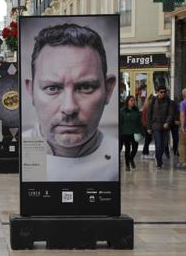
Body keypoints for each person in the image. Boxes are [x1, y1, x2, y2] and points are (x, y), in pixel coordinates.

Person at [23, 23, 118, 182]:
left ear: (108, 89)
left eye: (86, 87)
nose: (69, 108)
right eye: (52, 88)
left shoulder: (116, 157)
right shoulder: (20, 153)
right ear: (31, 91)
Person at [147, 85, 174, 169]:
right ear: (157, 92)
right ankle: (158, 163)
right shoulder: (152, 101)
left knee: (164, 144)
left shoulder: (168, 101)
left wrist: (167, 122)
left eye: (164, 92)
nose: (163, 93)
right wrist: (149, 127)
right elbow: (149, 115)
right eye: (161, 92)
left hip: (165, 127)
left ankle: (158, 157)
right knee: (158, 145)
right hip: (156, 126)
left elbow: (170, 114)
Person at [120, 96, 141, 171]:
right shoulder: (122, 111)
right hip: (125, 133)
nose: (133, 102)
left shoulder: (137, 111)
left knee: (135, 148)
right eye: (131, 100)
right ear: (127, 102)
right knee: (127, 149)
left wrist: (142, 132)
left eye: (134, 100)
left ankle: (131, 159)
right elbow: (120, 123)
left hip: (135, 132)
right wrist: (120, 134)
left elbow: (139, 122)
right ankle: (127, 165)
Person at [141, 94, 154, 159]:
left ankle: (144, 153)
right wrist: (149, 127)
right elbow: (147, 117)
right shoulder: (149, 105)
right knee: (148, 139)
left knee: (148, 139)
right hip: (147, 125)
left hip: (145, 125)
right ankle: (145, 153)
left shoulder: (146, 105)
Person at [178, 88, 186, 167]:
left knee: (182, 144)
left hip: (185, 127)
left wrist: (182, 126)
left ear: (183, 95)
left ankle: (183, 161)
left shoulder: (183, 103)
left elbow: (182, 115)